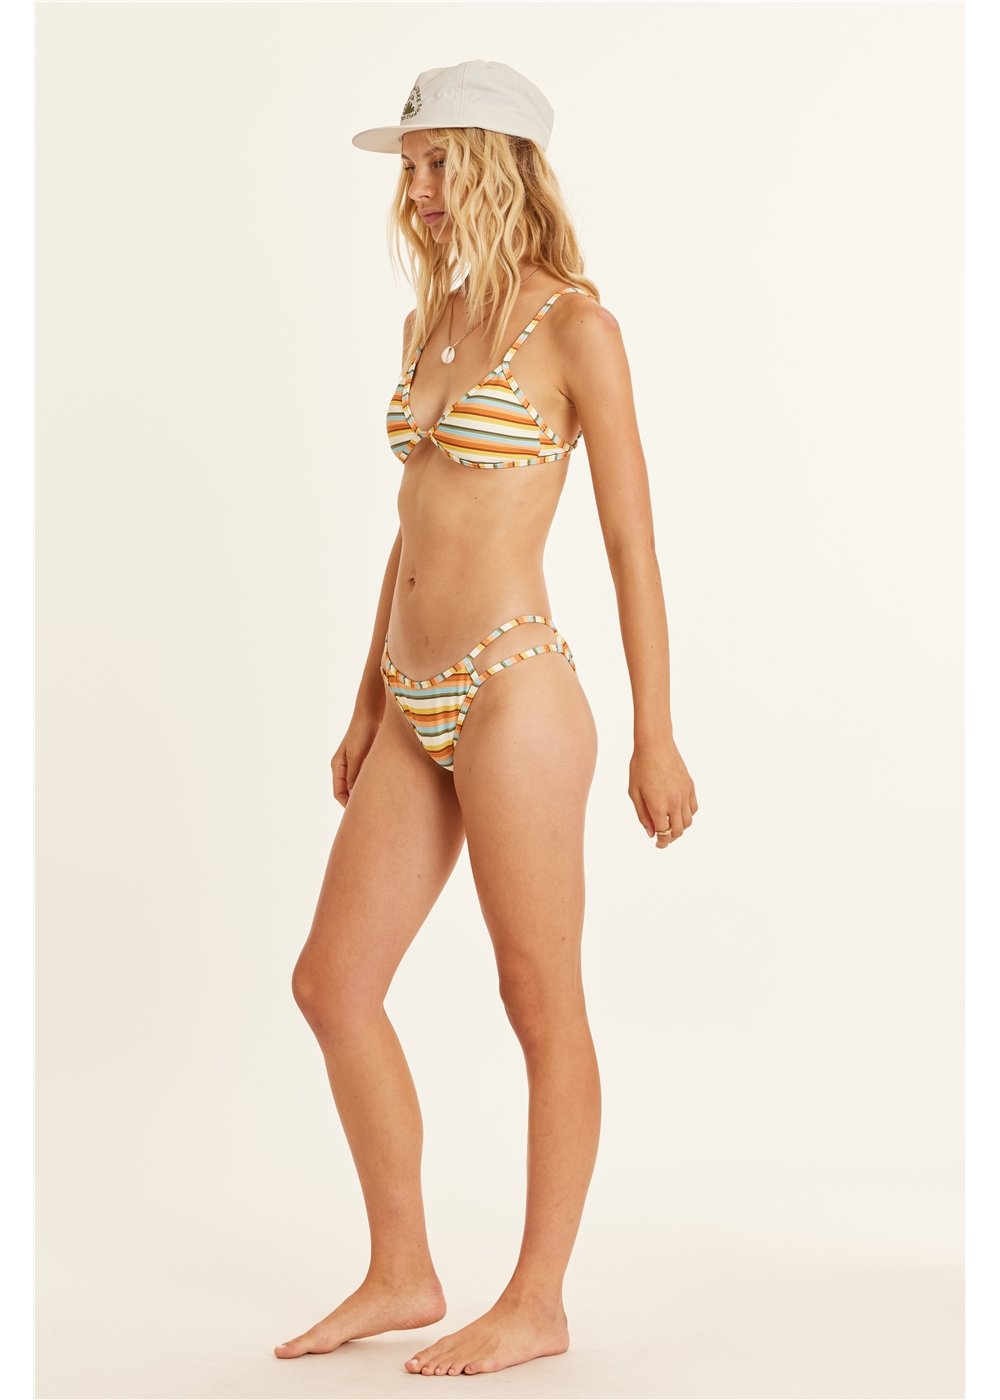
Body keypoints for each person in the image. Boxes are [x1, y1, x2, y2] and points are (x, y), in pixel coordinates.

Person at [275, 59, 698, 1378]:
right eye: (409, 165)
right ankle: (402, 1270)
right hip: (412, 703)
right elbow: (413, 529)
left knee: (537, 994)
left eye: (437, 161)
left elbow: (630, 543)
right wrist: (364, 700)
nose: (416, 187)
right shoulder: (433, 321)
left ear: (502, 167)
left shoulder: (579, 329)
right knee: (333, 983)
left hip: (518, 691)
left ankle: (538, 1299)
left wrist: (657, 733)